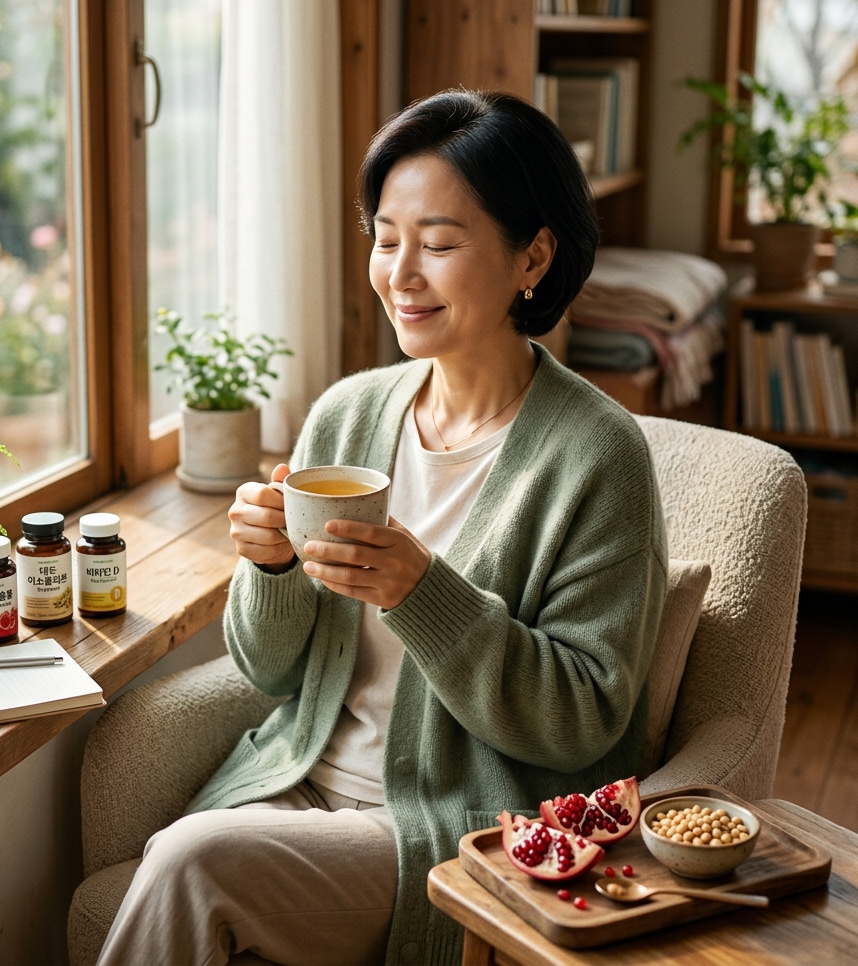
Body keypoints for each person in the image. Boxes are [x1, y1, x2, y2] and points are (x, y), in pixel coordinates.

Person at [98, 90, 667, 966]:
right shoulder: (347, 416)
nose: (400, 273)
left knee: (189, 863)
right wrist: (273, 569)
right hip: (295, 784)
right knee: (190, 858)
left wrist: (424, 592)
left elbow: (586, 717)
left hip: (446, 829)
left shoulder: (597, 456)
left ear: (534, 256)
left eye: (438, 245)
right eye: (385, 237)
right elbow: (271, 669)